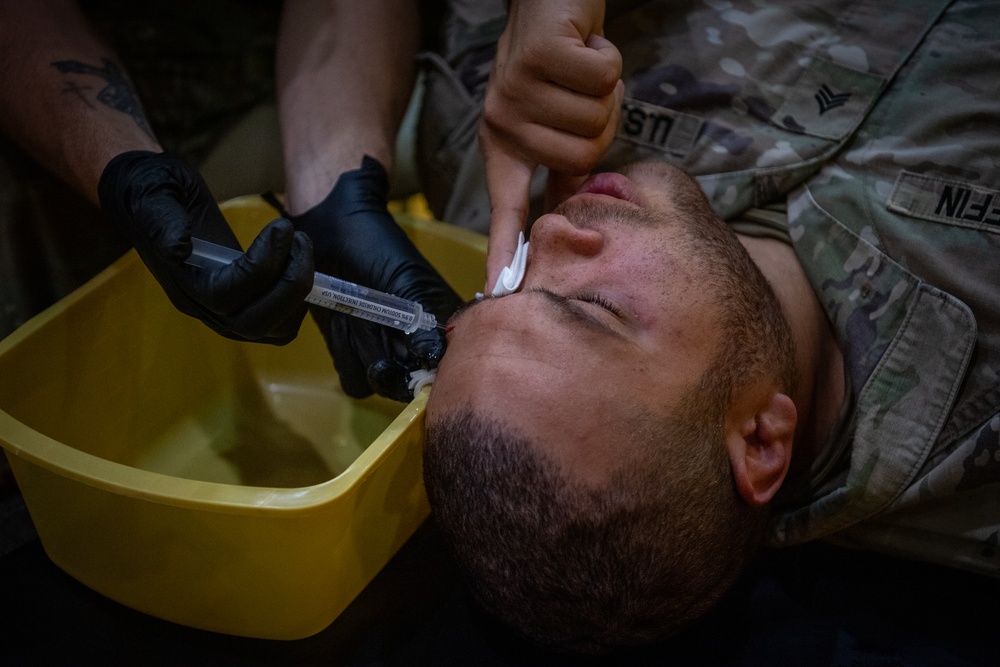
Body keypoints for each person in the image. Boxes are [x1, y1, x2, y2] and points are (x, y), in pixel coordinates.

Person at [417, 0, 1000, 654]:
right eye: (596, 308)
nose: (549, 229)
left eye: (503, 284)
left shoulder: (506, 150)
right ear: (759, 438)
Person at [0, 0, 460, 403]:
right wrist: (121, 168)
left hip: (270, 62)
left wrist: (334, 197)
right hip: (57, 78)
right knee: (46, 375)